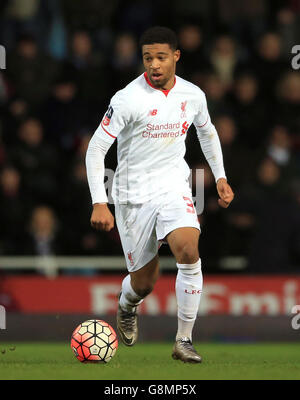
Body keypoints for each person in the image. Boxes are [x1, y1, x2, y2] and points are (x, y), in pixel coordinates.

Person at [85, 26, 234, 363]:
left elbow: (207, 133)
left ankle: (183, 340)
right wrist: (99, 201)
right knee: (144, 282)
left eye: (161, 57)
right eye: (147, 58)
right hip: (131, 194)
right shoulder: (126, 99)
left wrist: (221, 176)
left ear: (176, 57)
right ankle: (127, 305)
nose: (153, 64)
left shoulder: (193, 95)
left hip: (173, 185)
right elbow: (96, 150)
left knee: (188, 249)